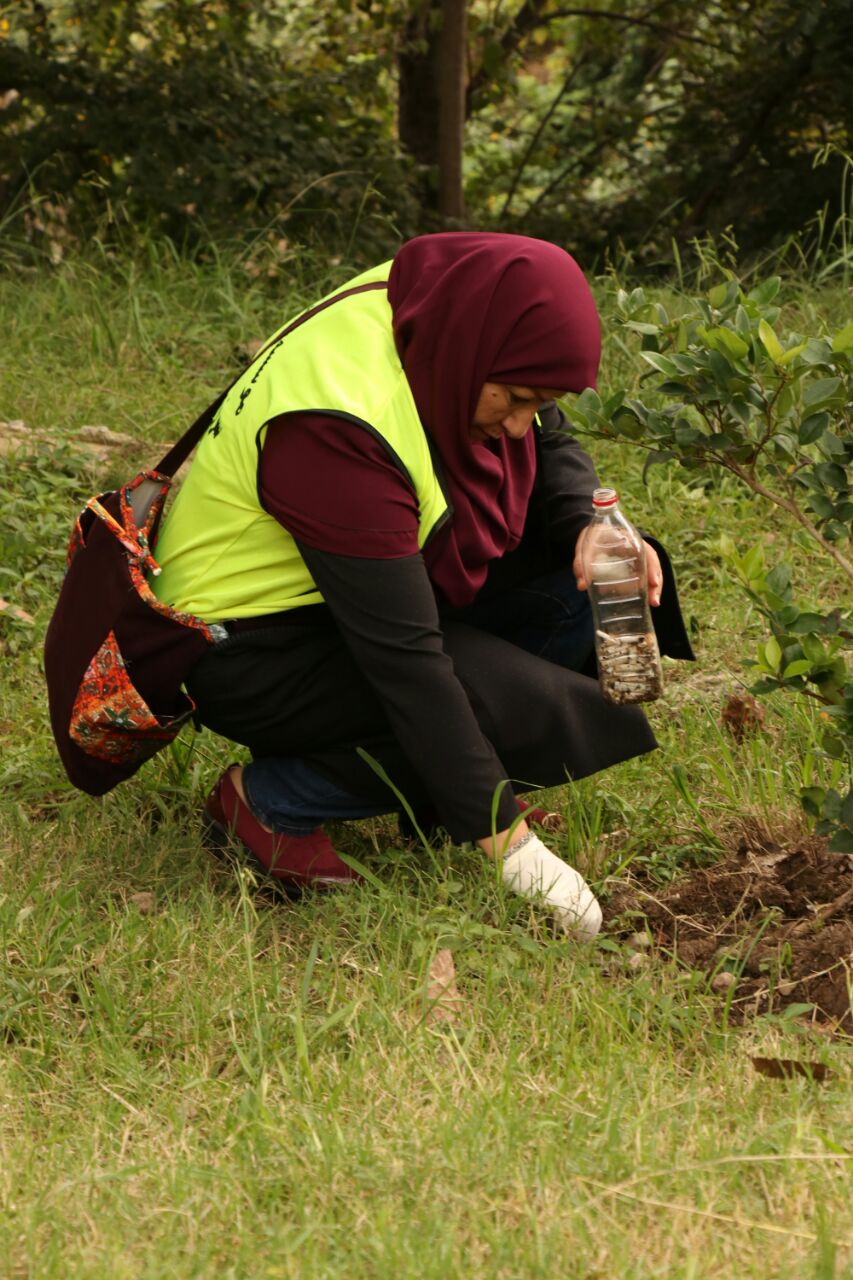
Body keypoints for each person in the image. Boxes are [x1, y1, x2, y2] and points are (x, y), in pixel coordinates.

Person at [151, 233, 693, 939]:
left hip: (340, 595)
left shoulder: (442, 312)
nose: (519, 425)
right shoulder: (331, 429)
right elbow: (405, 663)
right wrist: (512, 850)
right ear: (474, 352)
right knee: (505, 707)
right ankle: (271, 803)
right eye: (517, 398)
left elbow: (549, 443)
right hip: (246, 648)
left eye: (538, 400)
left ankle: (433, 792)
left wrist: (585, 523)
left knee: (580, 586)